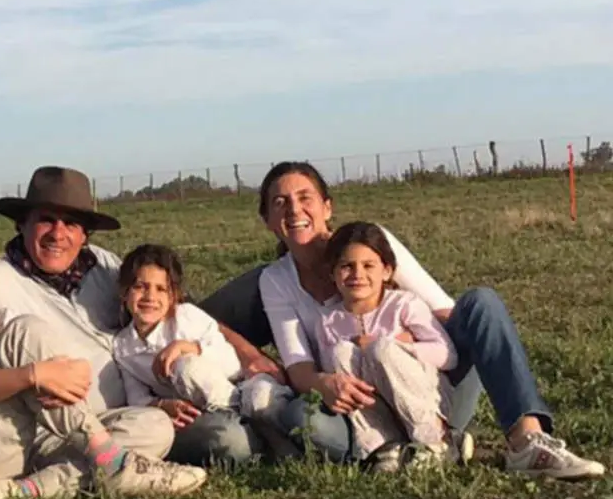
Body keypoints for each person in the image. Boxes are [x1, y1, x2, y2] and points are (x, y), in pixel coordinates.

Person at [234, 160, 603, 478]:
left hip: (425, 382)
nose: (293, 210)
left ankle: (524, 438)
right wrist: (325, 383)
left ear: (327, 207)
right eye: (279, 203)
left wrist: (398, 346)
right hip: (360, 403)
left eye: (304, 198)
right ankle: (392, 449)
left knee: (480, 303)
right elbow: (299, 367)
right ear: (266, 219)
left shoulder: (371, 243)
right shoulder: (276, 280)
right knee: (304, 419)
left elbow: (445, 316)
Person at [0, 166, 284, 470]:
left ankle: (268, 401)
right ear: (22, 223)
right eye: (46, 219)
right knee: (232, 442)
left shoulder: (104, 265)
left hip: (167, 382)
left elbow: (178, 309)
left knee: (259, 283)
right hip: (101, 421)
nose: (58, 234)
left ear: (85, 232)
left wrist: (248, 354)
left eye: (71, 223)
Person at [0, 222, 207, 499]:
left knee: (154, 426)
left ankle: (22, 492)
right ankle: (112, 464)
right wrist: (32, 376)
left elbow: (53, 368)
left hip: (26, 442)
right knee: (26, 331)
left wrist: (66, 374)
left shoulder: (0, 319)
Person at [112, 244, 297, 456]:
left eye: (161, 289)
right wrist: (161, 404)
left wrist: (189, 347)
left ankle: (285, 437)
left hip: (239, 385)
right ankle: (252, 436)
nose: (150, 297)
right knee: (224, 435)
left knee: (189, 367)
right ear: (124, 292)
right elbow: (135, 396)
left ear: (173, 296)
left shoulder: (186, 316)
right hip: (202, 408)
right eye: (140, 287)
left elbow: (231, 362)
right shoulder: (123, 348)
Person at [314, 221, 469, 471]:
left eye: (368, 266)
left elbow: (448, 356)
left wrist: (396, 345)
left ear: (386, 271)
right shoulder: (327, 321)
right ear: (332, 273)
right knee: (340, 353)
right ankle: (384, 445)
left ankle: (437, 440)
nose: (357, 275)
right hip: (378, 411)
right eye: (346, 266)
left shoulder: (403, 305)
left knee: (381, 350)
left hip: (424, 398)